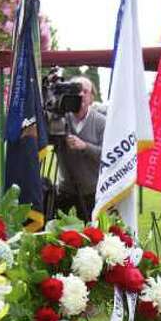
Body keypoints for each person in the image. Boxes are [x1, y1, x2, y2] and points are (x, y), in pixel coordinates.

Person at [54, 76, 105, 221]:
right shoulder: (59, 119)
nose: (81, 95)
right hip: (65, 191)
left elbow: (107, 156)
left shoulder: (101, 122)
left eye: (85, 91)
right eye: (76, 91)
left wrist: (85, 146)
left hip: (91, 192)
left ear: (92, 98)